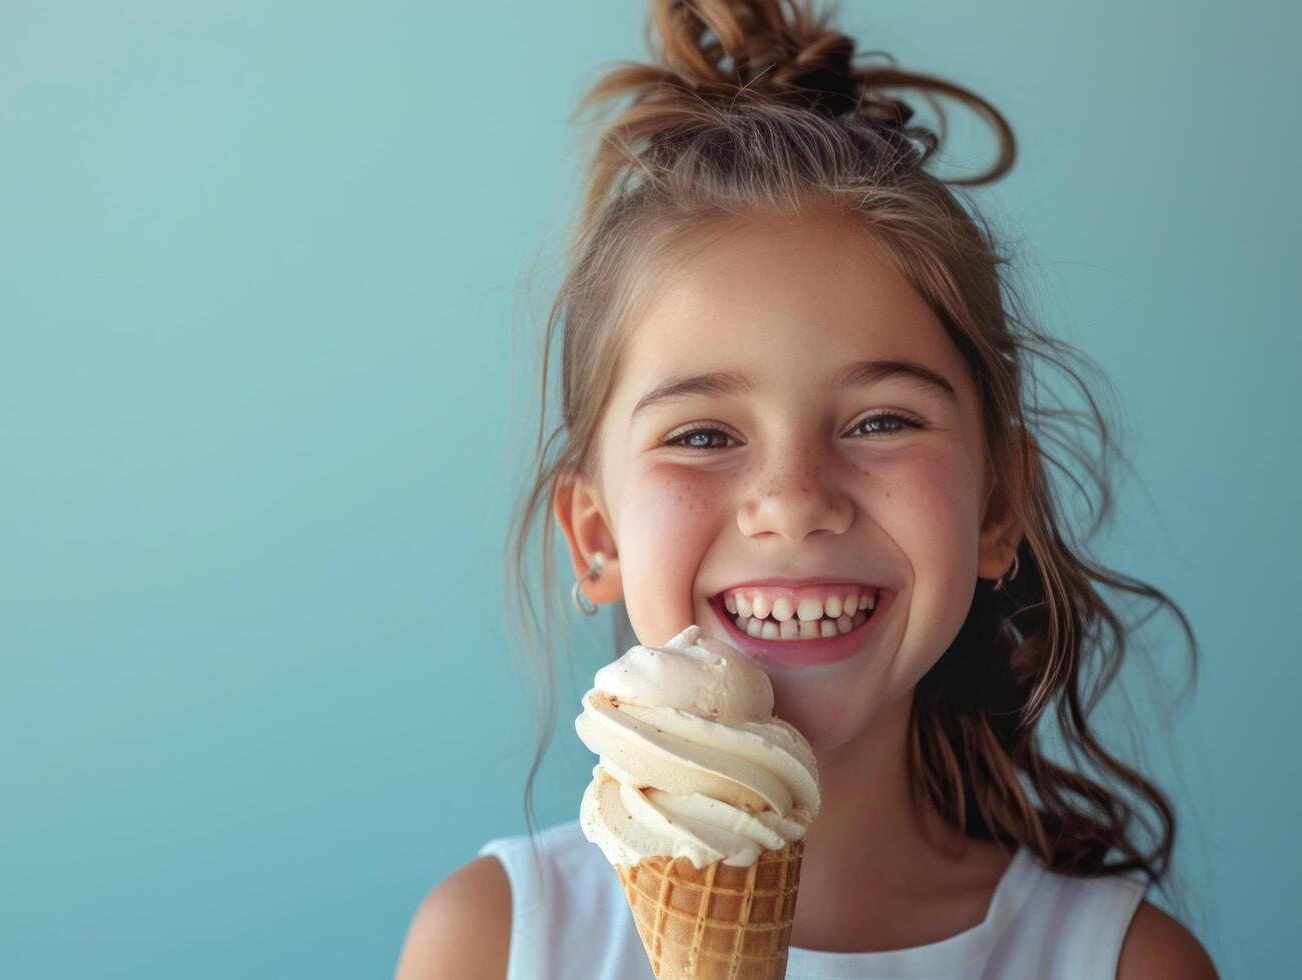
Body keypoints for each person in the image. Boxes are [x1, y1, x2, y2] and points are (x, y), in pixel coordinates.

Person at [395, 0, 1219, 977]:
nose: (793, 500)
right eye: (702, 434)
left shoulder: (1123, 962)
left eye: (880, 421)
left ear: (999, 506)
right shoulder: (493, 941)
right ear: (597, 535)